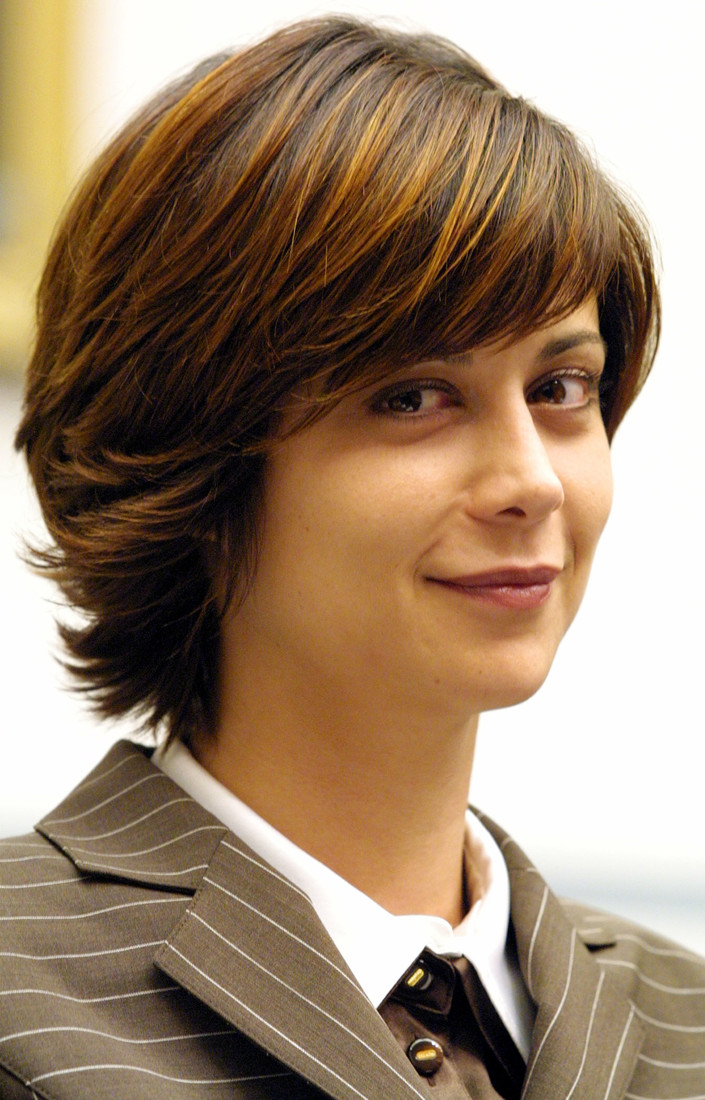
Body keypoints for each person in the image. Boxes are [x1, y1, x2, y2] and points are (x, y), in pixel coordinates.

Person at [1, 15, 703, 1100]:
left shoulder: (685, 1018)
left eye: (561, 388)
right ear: (192, 452)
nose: (534, 480)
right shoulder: (22, 998)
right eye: (414, 396)